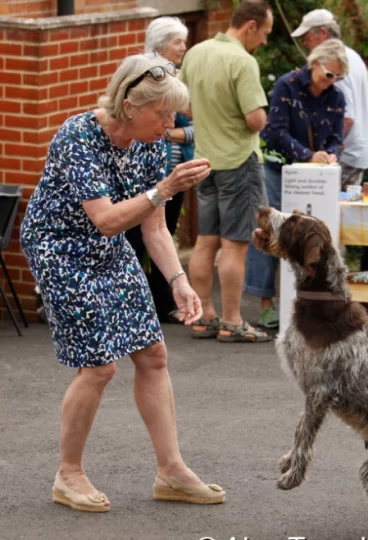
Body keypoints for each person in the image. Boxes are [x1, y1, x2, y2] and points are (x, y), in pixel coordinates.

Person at [20, 53, 225, 512]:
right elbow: (109, 219)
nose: (169, 123)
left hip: (107, 249)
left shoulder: (151, 142)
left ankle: (171, 470)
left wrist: (178, 280)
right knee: (99, 365)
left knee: (153, 353)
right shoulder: (77, 137)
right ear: (130, 105)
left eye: (174, 114)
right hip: (60, 248)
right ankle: (68, 475)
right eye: (162, 113)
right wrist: (164, 190)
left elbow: (152, 228)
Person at [291, 8, 368, 272]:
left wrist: (320, 151)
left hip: (344, 152)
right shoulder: (354, 56)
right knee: (346, 214)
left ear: (322, 33)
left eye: (308, 37)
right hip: (358, 150)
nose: (304, 43)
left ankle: (334, 275)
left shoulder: (334, 64)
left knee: (328, 215)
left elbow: (346, 118)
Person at [180, 0, 274, 342]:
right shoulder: (242, 61)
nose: (263, 41)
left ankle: (205, 315)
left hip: (204, 161)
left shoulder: (196, 52)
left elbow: (185, 106)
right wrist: (263, 114)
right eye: (264, 33)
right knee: (234, 245)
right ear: (250, 26)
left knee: (205, 241)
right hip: (238, 161)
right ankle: (233, 320)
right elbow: (255, 119)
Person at [244, 39, 347, 328]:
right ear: (315, 63)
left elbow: (337, 136)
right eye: (330, 74)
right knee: (269, 229)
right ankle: (265, 303)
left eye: (339, 77)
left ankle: (312, 302)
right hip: (278, 168)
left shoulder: (336, 97)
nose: (333, 81)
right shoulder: (286, 85)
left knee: (313, 238)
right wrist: (307, 154)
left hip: (315, 178)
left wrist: (330, 154)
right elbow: (275, 131)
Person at [126, 16, 195, 324]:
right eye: (178, 41)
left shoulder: (179, 78)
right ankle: (146, 299)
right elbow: (180, 127)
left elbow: (195, 126)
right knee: (139, 235)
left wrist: (179, 133)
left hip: (172, 168)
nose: (183, 46)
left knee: (160, 230)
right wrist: (177, 133)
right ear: (160, 42)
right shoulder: (146, 79)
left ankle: (161, 299)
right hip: (156, 171)